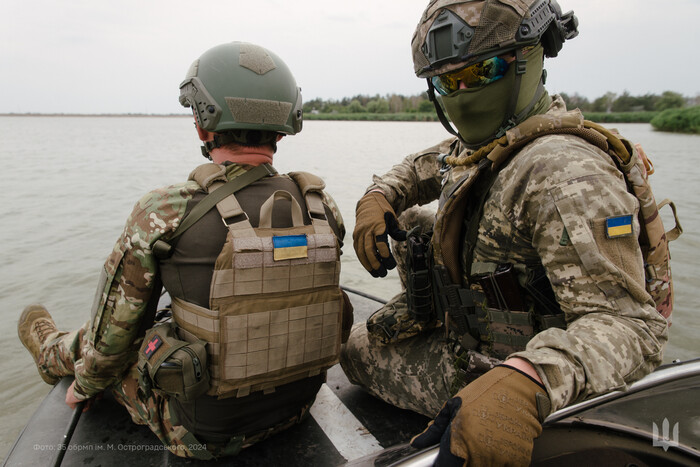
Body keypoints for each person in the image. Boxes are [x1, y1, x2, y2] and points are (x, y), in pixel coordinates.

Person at [341, 1, 670, 465]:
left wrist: (529, 381)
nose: (460, 91)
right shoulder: (492, 143)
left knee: (354, 353)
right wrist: (378, 198)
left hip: (527, 378)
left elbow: (633, 327)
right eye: (445, 82)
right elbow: (426, 164)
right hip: (479, 346)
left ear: (530, 58)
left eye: (479, 73)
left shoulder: (562, 172)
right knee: (398, 258)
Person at [18, 41, 350, 460]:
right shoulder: (322, 206)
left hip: (197, 436)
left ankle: (48, 351)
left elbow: (113, 335)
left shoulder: (167, 210)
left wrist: (86, 384)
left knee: (99, 337)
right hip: (296, 411)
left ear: (201, 124)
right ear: (284, 126)